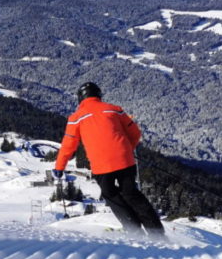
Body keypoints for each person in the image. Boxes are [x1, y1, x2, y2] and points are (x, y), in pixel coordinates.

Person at [53, 82, 164, 236]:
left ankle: (134, 230)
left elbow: (68, 147)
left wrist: (59, 167)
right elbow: (136, 133)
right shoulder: (115, 109)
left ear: (80, 99)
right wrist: (127, 149)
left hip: (101, 165)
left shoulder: (75, 119)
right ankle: (157, 233)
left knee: (110, 194)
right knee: (132, 193)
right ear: (98, 95)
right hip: (125, 160)